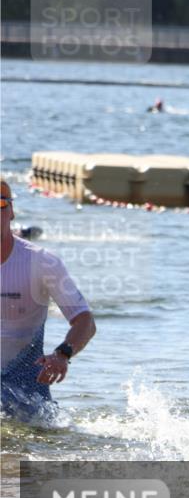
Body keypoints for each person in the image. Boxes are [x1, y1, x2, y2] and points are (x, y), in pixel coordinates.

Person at [1, 180, 96, 422]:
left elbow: (85, 321)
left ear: (11, 212)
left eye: (0, 205)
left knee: (34, 443)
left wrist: (62, 354)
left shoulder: (43, 262)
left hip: (27, 393)